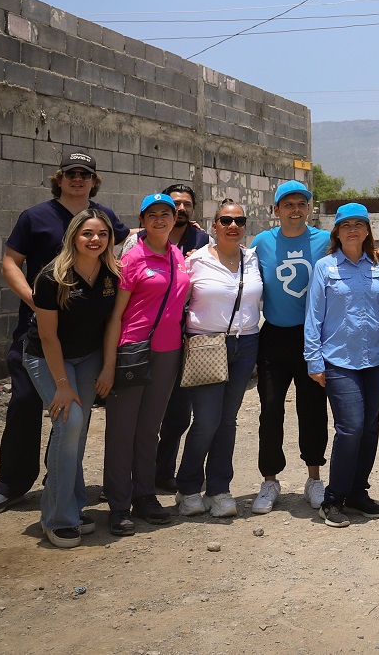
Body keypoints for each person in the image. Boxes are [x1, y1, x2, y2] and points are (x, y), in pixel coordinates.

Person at [0, 150, 130, 516]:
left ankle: (59, 479)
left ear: (94, 181)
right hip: (38, 330)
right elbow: (10, 262)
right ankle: (12, 484)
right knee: (24, 402)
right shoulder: (35, 217)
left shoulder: (103, 217)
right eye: (71, 173)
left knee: (72, 414)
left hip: (84, 339)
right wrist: (35, 300)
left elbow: (130, 243)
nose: (78, 179)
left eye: (85, 174)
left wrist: (184, 231)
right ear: (58, 179)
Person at [21, 209, 120, 546]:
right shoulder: (53, 277)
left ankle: (73, 505)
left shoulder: (112, 273)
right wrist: (62, 385)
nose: (95, 240)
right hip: (47, 357)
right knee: (70, 421)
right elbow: (48, 337)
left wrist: (108, 367)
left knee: (77, 431)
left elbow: (112, 323)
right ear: (74, 236)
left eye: (102, 234)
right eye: (87, 233)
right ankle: (57, 518)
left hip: (89, 357)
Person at [304, 202, 379, 528]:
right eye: (346, 225)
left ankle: (358, 493)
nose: (352, 230)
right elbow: (314, 317)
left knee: (370, 427)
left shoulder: (378, 266)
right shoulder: (325, 267)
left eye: (358, 224)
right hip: (339, 360)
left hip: (375, 359)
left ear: (367, 231)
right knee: (351, 427)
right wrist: (314, 360)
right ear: (337, 231)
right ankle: (333, 498)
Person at [102, 193, 192, 536]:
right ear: (141, 220)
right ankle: (118, 504)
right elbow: (115, 316)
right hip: (133, 350)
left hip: (168, 353)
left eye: (165, 213)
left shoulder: (178, 256)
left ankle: (144, 495)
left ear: (174, 218)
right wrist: (109, 363)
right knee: (122, 431)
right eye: (152, 214)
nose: (159, 219)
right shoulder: (133, 259)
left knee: (149, 428)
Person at [174, 200, 263, 519]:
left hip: (246, 343)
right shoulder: (195, 261)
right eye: (226, 220)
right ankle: (187, 488)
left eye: (239, 220)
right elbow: (176, 300)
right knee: (207, 420)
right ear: (214, 226)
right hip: (206, 344)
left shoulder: (252, 259)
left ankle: (219, 489)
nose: (233, 225)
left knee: (227, 420)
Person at [250, 180, 332, 513]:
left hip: (312, 337)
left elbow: (354, 255)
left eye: (301, 204)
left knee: (313, 409)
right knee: (270, 410)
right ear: (276, 210)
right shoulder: (262, 242)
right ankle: (270, 480)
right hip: (274, 336)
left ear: (308, 208)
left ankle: (314, 478)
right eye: (288, 204)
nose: (295, 210)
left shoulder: (325, 241)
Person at [144, 183, 211, 497]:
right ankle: (132, 475)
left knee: (179, 413)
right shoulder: (141, 240)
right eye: (176, 204)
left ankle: (162, 472)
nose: (181, 209)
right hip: (144, 337)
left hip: (186, 337)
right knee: (140, 412)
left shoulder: (202, 240)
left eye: (187, 204)